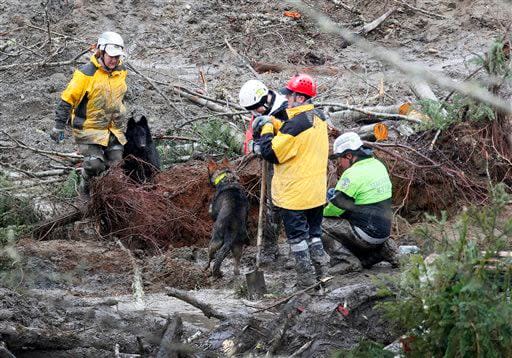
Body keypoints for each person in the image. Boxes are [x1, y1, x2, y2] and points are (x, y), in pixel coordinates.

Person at [251, 73, 331, 288]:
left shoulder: (294, 126)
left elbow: (271, 152)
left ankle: (305, 280)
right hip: (316, 191)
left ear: (301, 98)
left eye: (291, 96)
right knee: (314, 234)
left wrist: (267, 129)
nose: (286, 98)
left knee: (297, 239)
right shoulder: (320, 117)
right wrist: (276, 123)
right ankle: (323, 273)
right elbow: (295, 132)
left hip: (295, 194)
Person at [50, 31, 128, 195]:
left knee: (117, 165)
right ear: (101, 51)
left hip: (112, 128)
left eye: (117, 57)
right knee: (95, 165)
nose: (114, 60)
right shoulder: (86, 74)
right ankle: (85, 185)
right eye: (111, 56)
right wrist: (58, 127)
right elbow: (67, 100)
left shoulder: (121, 72)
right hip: (88, 128)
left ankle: (106, 196)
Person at [322, 132, 399, 273]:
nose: (339, 163)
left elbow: (335, 209)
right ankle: (383, 251)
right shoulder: (378, 165)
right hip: (384, 232)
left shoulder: (352, 174)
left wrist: (323, 208)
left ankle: (347, 261)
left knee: (318, 224)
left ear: (349, 156)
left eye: (340, 158)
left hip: (366, 235)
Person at [239, 80, 288, 262]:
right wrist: (254, 145)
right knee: (272, 205)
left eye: (256, 108)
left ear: (265, 99)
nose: (254, 113)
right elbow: (252, 137)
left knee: (286, 204)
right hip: (270, 163)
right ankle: (269, 248)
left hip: (288, 163)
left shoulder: (285, 109)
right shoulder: (260, 110)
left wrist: (267, 145)